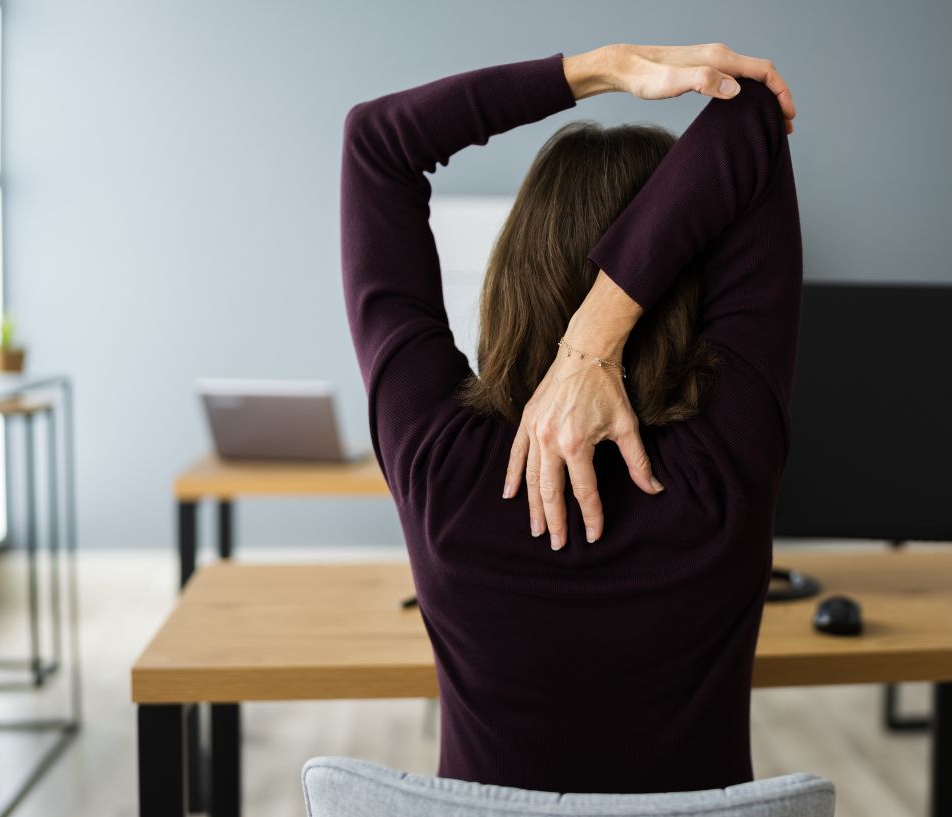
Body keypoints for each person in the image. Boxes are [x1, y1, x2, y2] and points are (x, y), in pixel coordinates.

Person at [340, 43, 802, 794]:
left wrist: (603, 68)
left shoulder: (439, 465)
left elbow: (376, 143)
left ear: (511, 273)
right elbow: (749, 113)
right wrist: (596, 337)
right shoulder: (726, 467)